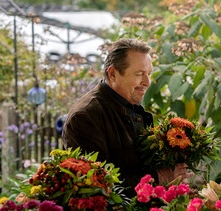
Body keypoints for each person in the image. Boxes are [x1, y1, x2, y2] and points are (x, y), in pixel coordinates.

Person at [62, 38, 189, 197]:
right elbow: (96, 185)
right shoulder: (86, 116)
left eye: (149, 74)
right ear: (113, 74)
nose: (147, 82)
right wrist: (158, 178)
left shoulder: (128, 104)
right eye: (139, 74)